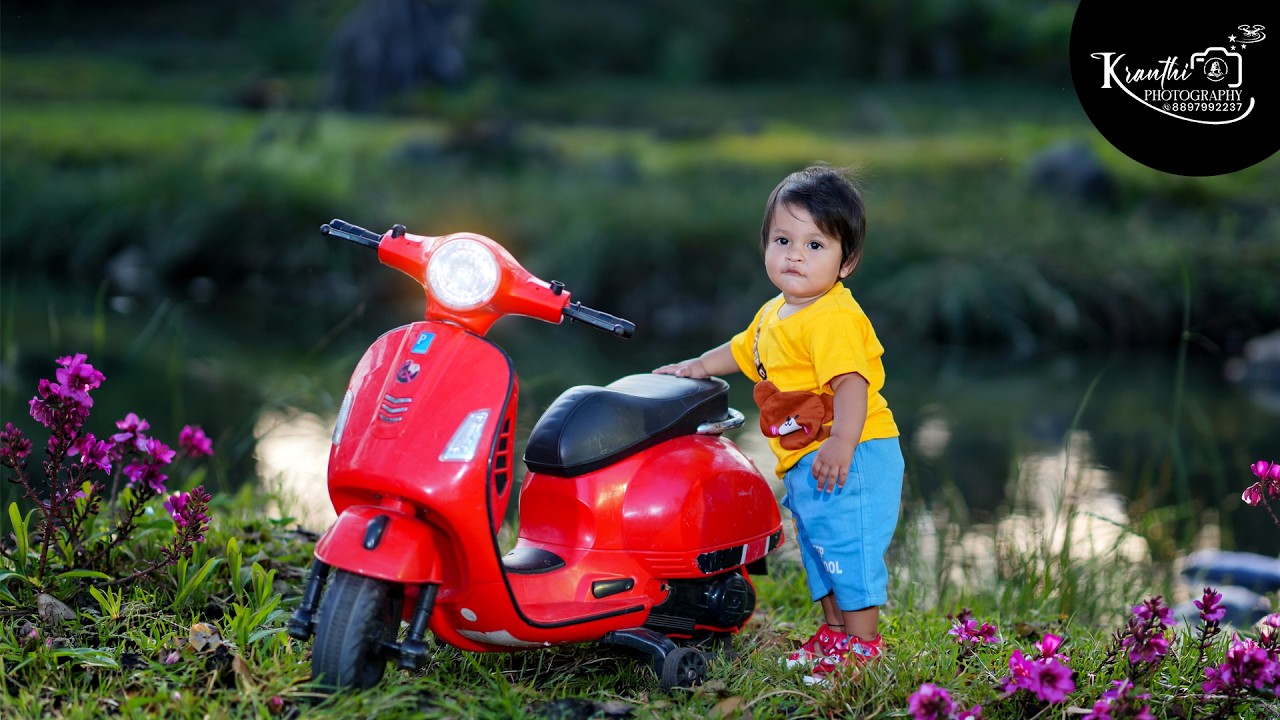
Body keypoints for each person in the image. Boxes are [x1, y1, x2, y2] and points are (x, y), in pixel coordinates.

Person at [654, 164, 903, 685]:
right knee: (821, 549)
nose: (795, 254)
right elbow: (742, 350)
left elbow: (852, 385)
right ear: (765, 243)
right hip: (810, 456)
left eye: (816, 246)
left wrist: (841, 442)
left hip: (854, 452)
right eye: (783, 239)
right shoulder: (776, 312)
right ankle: (836, 635)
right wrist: (697, 366)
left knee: (848, 552)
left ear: (847, 261)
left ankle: (863, 649)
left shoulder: (831, 316)